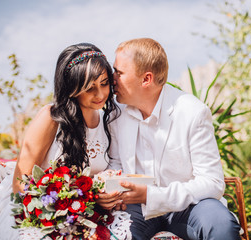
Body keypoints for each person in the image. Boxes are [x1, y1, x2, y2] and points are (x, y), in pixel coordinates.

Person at [100, 38, 242, 239]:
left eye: (119, 72)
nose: (112, 78)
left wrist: (152, 195)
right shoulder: (116, 114)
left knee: (220, 224)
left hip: (190, 207)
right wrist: (111, 187)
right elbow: (115, 163)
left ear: (146, 79)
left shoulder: (193, 112)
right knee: (114, 233)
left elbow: (212, 182)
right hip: (137, 209)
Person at [0, 43, 131, 240]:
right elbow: (20, 184)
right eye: (90, 88)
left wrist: (108, 197)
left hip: (84, 213)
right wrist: (56, 215)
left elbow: (100, 181)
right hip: (34, 209)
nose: (100, 94)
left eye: (104, 83)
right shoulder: (51, 117)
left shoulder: (108, 122)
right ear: (72, 88)